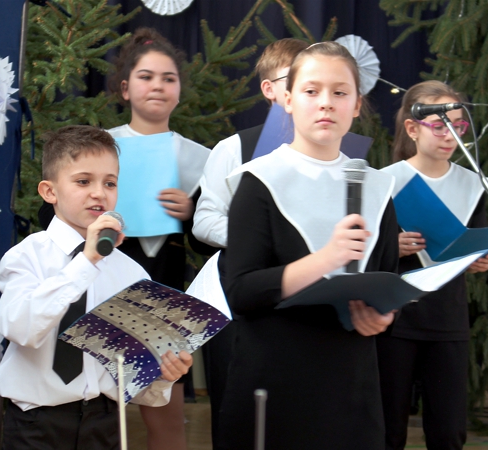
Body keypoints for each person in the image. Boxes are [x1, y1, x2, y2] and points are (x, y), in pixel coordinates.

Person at [218, 41, 399, 449]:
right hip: (277, 380)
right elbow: (242, 290)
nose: (326, 103)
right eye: (311, 91)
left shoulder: (376, 186)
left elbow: (389, 277)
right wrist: (328, 258)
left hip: (352, 383)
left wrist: (384, 316)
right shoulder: (259, 181)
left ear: (357, 105)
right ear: (287, 99)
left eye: (340, 92)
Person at [0, 125, 193, 450]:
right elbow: (20, 328)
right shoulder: (27, 256)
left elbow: (135, 379)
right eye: (83, 181)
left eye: (109, 183)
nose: (99, 193)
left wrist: (162, 374)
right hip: (36, 423)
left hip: (104, 422)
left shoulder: (130, 273)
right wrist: (86, 262)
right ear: (49, 191)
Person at [190, 38, 308, 448]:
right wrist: (257, 240)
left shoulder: (338, 153)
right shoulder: (234, 148)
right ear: (269, 89)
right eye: (293, 79)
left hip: (305, 302)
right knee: (237, 412)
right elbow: (204, 220)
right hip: (243, 299)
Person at [104, 27, 211, 450]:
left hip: (163, 296)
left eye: (169, 78)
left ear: (179, 91)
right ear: (125, 88)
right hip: (101, 288)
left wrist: (191, 213)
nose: (158, 86)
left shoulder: (200, 158)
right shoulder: (101, 147)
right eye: (146, 76)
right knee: (97, 418)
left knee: (166, 422)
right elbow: (54, 213)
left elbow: (211, 240)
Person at [377, 80, 488, 450]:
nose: (450, 135)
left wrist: (482, 259)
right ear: (412, 129)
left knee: (448, 430)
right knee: (388, 428)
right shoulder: (386, 182)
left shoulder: (473, 184)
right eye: (439, 126)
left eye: (458, 126)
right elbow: (358, 253)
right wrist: (391, 247)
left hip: (448, 320)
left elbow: (476, 243)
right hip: (395, 321)